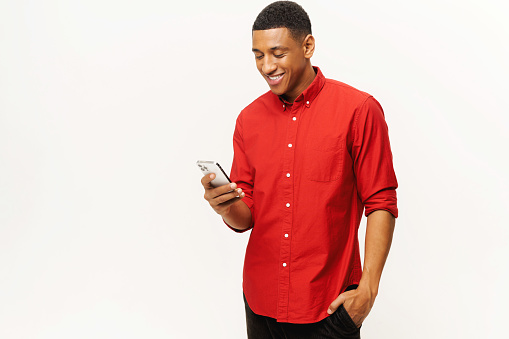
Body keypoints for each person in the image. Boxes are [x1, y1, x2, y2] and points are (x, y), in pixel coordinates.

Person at [201, 1, 398, 338]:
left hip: (328, 306)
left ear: (308, 46)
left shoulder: (359, 110)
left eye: (277, 53)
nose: (266, 66)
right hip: (261, 302)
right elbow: (245, 216)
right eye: (258, 55)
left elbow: (381, 201)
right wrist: (224, 205)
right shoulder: (248, 120)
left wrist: (368, 290)